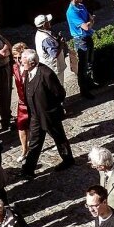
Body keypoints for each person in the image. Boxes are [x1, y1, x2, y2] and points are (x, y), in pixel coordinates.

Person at [20, 49, 74, 179]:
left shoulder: (46, 73)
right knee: (35, 142)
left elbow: (59, 93)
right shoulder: (28, 72)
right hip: (35, 115)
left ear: (32, 62)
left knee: (59, 137)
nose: (21, 62)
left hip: (49, 114)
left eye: (23, 60)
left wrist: (51, 108)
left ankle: (68, 160)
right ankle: (28, 169)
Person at [65, 0, 98, 98]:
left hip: (87, 37)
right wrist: (90, 22)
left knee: (90, 62)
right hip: (80, 40)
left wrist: (90, 22)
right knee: (83, 66)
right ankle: (84, 90)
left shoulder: (81, 6)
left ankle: (90, 83)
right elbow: (86, 26)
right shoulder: (71, 12)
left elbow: (89, 21)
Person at [33, 14, 68, 85]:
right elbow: (54, 54)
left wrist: (58, 39)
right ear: (43, 25)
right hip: (54, 68)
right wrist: (61, 44)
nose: (50, 22)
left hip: (49, 67)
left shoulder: (41, 32)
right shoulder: (46, 39)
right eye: (47, 22)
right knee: (58, 87)